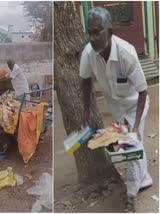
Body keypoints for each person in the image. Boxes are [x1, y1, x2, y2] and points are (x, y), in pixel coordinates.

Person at [80, 7, 152, 212]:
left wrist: (136, 126)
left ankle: (131, 196)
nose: (93, 37)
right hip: (116, 108)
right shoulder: (88, 54)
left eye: (98, 31)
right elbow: (84, 82)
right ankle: (144, 179)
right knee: (131, 145)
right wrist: (85, 110)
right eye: (90, 32)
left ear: (109, 32)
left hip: (135, 106)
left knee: (131, 145)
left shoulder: (126, 53)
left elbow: (143, 91)